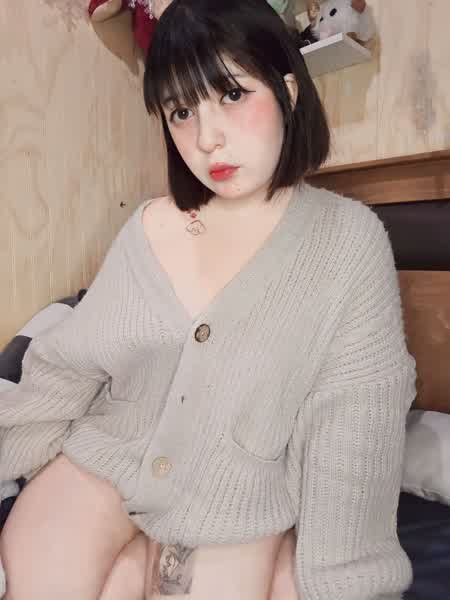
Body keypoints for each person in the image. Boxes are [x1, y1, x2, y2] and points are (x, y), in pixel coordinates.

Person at [0, 0, 417, 598]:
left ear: (288, 92)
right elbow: (70, 363)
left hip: (235, 497)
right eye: (181, 111)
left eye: (232, 94)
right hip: (103, 464)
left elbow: (356, 423)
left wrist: (341, 576)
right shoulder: (150, 225)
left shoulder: (347, 241)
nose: (207, 138)